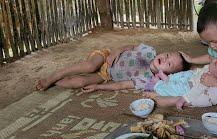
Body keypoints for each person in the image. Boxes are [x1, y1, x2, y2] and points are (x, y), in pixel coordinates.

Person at [36, 44, 190, 92]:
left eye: (168, 64)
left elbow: (121, 84)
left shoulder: (146, 79)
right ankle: (54, 76)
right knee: (90, 66)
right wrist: (116, 52)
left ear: (165, 73)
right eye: (168, 55)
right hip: (106, 57)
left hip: (107, 75)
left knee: (81, 82)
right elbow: (130, 46)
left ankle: (55, 83)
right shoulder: (149, 52)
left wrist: (97, 86)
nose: (165, 58)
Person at [143, 54, 217, 109]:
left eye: (216, 63)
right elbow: (200, 69)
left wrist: (184, 99)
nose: (213, 60)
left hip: (191, 87)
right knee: (184, 75)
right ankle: (168, 79)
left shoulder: (208, 79)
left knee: (176, 89)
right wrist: (194, 71)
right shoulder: (213, 69)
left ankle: (158, 86)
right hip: (193, 77)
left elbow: (197, 90)